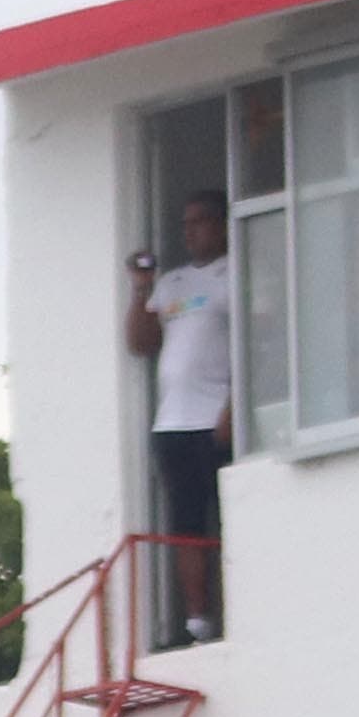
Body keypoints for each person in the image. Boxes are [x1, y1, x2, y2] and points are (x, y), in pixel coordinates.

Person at [128, 190, 235, 643]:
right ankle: (197, 623)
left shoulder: (236, 271)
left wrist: (234, 406)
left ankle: (241, 610)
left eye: (201, 221)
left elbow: (260, 341)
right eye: (186, 223)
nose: (191, 232)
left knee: (231, 515)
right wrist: (141, 290)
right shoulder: (172, 283)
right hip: (173, 423)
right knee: (185, 524)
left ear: (222, 223)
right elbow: (140, 343)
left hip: (217, 418)